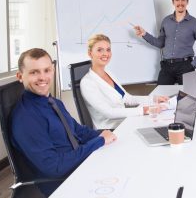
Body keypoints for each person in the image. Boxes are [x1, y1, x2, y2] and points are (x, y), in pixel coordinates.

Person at [11, 48, 117, 196]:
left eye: (46, 70)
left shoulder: (53, 102)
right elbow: (54, 167)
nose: (42, 77)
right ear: (20, 76)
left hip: (81, 166)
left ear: (53, 70)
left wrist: (110, 134)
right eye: (34, 72)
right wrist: (98, 142)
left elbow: (78, 131)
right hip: (64, 183)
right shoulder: (26, 118)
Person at [80, 34, 169, 130]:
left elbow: (127, 98)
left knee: (162, 122)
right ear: (90, 53)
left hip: (124, 121)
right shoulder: (87, 83)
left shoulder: (108, 73)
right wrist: (144, 110)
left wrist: (154, 99)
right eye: (100, 50)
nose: (105, 53)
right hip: (110, 129)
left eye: (108, 49)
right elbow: (109, 112)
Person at [134, 0, 196, 85]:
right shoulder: (166, 21)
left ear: (187, 2)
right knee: (161, 96)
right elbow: (160, 43)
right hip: (167, 66)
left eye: (183, 0)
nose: (180, 3)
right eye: (177, 0)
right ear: (173, 2)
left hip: (186, 66)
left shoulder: (195, 23)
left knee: (188, 99)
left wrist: (193, 65)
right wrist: (144, 34)